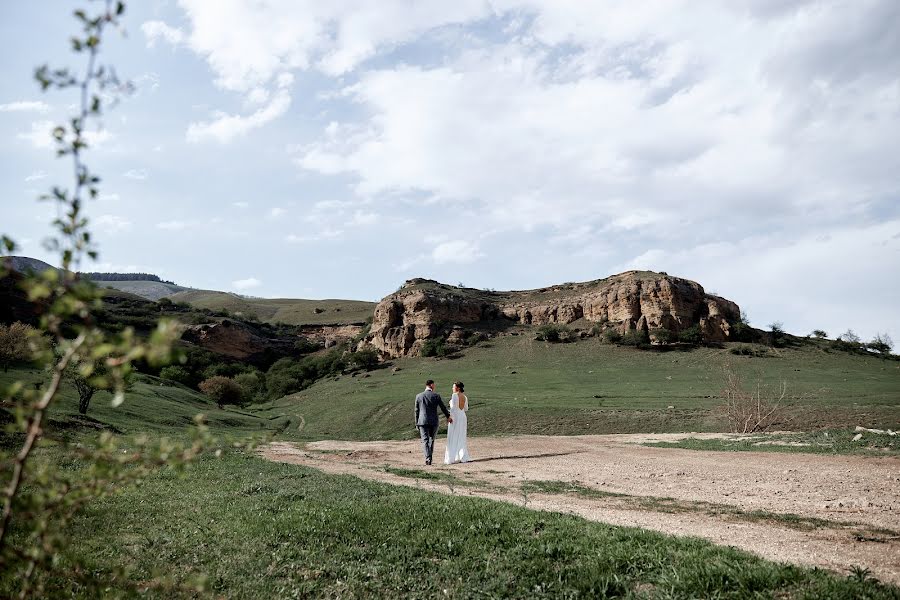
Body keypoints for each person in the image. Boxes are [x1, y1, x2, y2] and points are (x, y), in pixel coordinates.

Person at [414, 379, 451, 466]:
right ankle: (429, 458)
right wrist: (448, 416)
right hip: (434, 421)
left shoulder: (419, 396)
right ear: (431, 385)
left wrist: (416, 423)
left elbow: (416, 411)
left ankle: (428, 458)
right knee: (431, 440)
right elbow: (443, 407)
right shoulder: (436, 396)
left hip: (422, 421)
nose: (434, 386)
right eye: (434, 385)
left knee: (425, 440)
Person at [444, 381, 470, 464]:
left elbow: (453, 409)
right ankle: (462, 455)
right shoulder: (465, 397)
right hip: (462, 416)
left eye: (453, 387)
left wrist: (449, 417)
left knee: (453, 435)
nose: (452, 388)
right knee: (461, 435)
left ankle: (452, 457)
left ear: (458, 388)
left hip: (456, 417)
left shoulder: (454, 395)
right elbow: (466, 408)